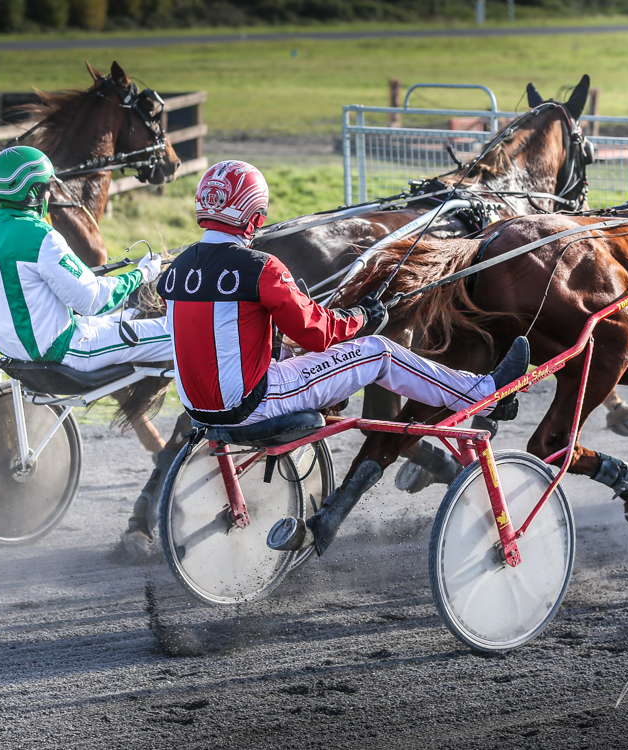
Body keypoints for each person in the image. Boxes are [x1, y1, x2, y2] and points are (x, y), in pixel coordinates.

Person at [158, 160, 529, 556]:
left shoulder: (176, 270)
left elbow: (220, 337)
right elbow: (318, 334)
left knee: (304, 356)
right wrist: (362, 318)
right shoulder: (261, 268)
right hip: (254, 403)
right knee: (379, 352)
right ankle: (481, 391)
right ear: (253, 217)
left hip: (201, 411)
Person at [0, 146, 171, 371]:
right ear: (32, 191)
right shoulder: (40, 236)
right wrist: (141, 274)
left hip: (14, 351)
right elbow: (93, 301)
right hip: (66, 351)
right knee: (176, 333)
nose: (49, 194)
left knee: (132, 315)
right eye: (47, 187)